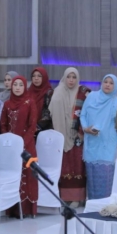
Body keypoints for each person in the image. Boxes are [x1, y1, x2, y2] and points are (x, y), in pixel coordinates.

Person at [48, 68, 89, 204]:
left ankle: (78, 198)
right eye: (68, 77)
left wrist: (80, 130)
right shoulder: (58, 92)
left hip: (78, 136)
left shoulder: (83, 92)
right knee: (64, 167)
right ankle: (65, 197)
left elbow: (89, 112)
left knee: (78, 167)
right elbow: (52, 111)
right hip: (62, 135)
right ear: (64, 78)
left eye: (74, 77)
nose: (71, 80)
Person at [0, 75, 39, 216]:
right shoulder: (7, 104)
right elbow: (3, 124)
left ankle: (27, 210)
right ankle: (12, 209)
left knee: (27, 175)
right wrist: (9, 142)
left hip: (27, 146)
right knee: (12, 175)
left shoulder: (30, 102)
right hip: (11, 148)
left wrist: (22, 143)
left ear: (25, 87)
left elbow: (32, 126)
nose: (17, 87)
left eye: (20, 85)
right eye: (15, 84)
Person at [81, 74, 117, 200]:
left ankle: (105, 206)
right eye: (105, 81)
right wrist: (85, 128)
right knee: (92, 179)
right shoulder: (92, 96)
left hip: (107, 144)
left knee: (105, 178)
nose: (107, 84)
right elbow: (83, 115)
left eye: (111, 83)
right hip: (92, 142)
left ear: (115, 86)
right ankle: (93, 206)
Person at [28, 67, 54, 134]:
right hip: (29, 129)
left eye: (39, 76)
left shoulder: (49, 93)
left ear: (44, 77)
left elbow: (49, 113)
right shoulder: (28, 92)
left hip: (45, 130)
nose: (36, 78)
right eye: (34, 76)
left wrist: (37, 126)